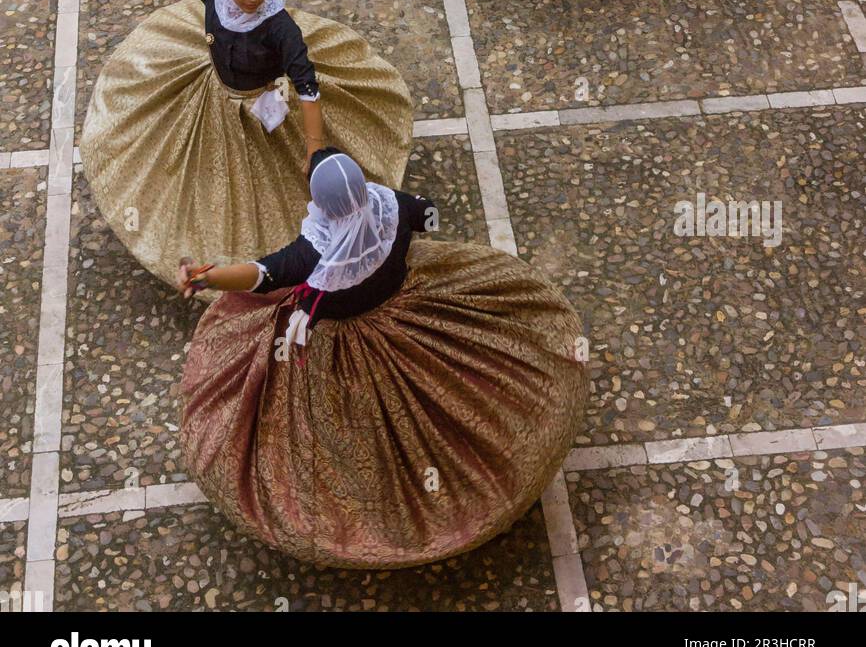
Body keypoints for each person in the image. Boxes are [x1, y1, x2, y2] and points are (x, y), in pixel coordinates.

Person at [178, 150, 589, 567]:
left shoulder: (312, 254)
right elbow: (428, 215)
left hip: (338, 346)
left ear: (322, 204)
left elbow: (260, 274)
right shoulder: (390, 205)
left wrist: (207, 276)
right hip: (408, 313)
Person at [79, 0, 414, 289]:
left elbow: (308, 89)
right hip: (214, 92)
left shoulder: (281, 28)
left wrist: (314, 151)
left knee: (266, 188)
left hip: (266, 103)